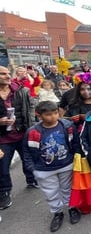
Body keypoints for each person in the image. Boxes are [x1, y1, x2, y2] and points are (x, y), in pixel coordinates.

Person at [22, 101, 81, 232]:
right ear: (40, 116)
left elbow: (76, 143)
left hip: (66, 165)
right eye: (48, 114)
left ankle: (72, 208)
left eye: (55, 113)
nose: (53, 117)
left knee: (68, 189)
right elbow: (26, 152)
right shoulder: (32, 132)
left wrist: (76, 159)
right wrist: (32, 168)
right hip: (44, 169)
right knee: (51, 192)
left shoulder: (67, 126)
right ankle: (57, 212)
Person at [0, 66, 37, 211]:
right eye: (3, 74)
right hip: (3, 138)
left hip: (23, 132)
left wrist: (32, 129)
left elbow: (30, 109)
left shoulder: (20, 90)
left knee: (29, 159)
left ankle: (32, 180)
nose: (8, 76)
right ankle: (4, 192)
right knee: (2, 168)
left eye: (8, 73)